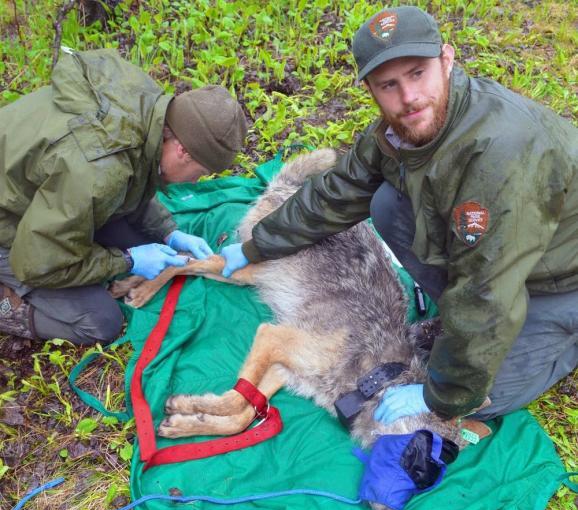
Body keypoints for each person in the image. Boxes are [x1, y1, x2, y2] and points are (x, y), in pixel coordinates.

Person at [219, 5, 578, 422]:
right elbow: (339, 192)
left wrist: (438, 397)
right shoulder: (401, 131)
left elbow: (485, 292)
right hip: (504, 258)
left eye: (418, 73)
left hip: (561, 280)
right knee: (386, 204)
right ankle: (467, 324)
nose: (408, 98)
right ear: (370, 89)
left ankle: (560, 337)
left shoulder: (499, 156)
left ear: (447, 60)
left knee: (476, 397)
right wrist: (258, 245)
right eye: (389, 84)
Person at [0, 48, 247, 346]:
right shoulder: (96, 171)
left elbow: (134, 169)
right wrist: (127, 262)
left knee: (141, 240)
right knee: (100, 321)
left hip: (37, 195)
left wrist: (169, 233)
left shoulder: (146, 107)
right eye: (201, 171)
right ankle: (7, 302)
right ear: (183, 151)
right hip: (13, 227)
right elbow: (38, 262)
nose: (197, 180)